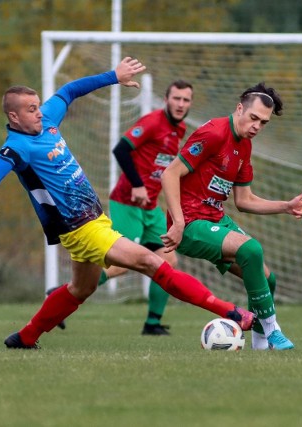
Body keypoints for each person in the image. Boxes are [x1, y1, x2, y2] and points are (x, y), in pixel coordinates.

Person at [0, 57, 254, 349]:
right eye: (31, 109)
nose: (39, 112)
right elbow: (1, 164)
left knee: (81, 288)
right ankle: (230, 311)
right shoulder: (17, 146)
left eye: (38, 106)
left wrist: (114, 76)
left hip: (93, 220)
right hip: (81, 229)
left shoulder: (47, 120)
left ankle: (25, 337)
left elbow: (70, 90)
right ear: (14, 117)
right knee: (153, 261)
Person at [161, 82, 302, 351]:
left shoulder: (245, 146)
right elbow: (170, 173)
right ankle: (272, 330)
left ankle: (259, 344)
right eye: (254, 118)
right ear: (239, 109)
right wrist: (177, 223)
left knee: (267, 279)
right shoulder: (213, 132)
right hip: (190, 222)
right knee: (252, 249)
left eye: (264, 122)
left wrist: (286, 206)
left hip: (214, 219)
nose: (257, 126)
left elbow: (244, 201)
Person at [101, 79, 194, 336]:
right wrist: (137, 184)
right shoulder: (153, 122)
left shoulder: (180, 129)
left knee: (168, 260)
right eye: (176, 98)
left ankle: (152, 323)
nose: (180, 104)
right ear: (166, 100)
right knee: (122, 262)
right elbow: (120, 149)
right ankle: (66, 292)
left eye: (186, 100)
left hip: (151, 207)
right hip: (127, 203)